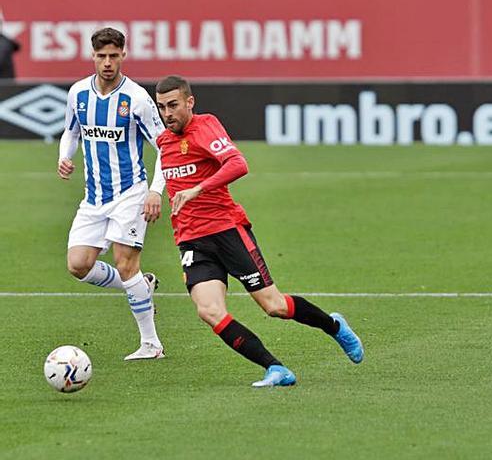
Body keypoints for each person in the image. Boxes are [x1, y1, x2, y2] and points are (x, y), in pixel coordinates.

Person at [153, 75, 363, 387]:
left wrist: (198, 189)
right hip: (192, 240)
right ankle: (275, 369)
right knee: (209, 311)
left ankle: (333, 326)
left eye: (173, 105)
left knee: (274, 306)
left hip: (227, 231)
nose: (167, 113)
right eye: (161, 107)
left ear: (189, 102)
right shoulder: (164, 141)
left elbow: (238, 163)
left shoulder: (205, 126)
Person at [58, 27, 165, 360]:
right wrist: (64, 155)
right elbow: (70, 132)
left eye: (113, 56)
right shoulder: (78, 93)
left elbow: (165, 146)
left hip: (130, 193)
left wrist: (155, 191)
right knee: (78, 264)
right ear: (92, 56)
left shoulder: (136, 98)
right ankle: (140, 287)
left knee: (125, 263)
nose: (107, 62)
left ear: (123, 55)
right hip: (94, 197)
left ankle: (151, 344)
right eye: (101, 56)